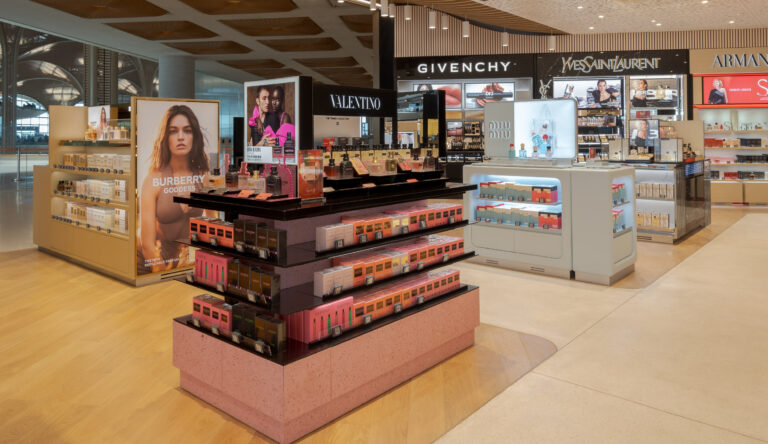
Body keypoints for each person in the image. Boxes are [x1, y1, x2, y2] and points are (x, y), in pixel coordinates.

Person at [140, 105, 210, 273]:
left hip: (191, 261)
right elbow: (147, 245)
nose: (181, 137)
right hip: (157, 263)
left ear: (194, 136)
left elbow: (213, 226)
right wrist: (166, 275)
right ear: (166, 137)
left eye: (187, 130)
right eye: (173, 131)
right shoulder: (153, 179)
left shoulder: (203, 176)